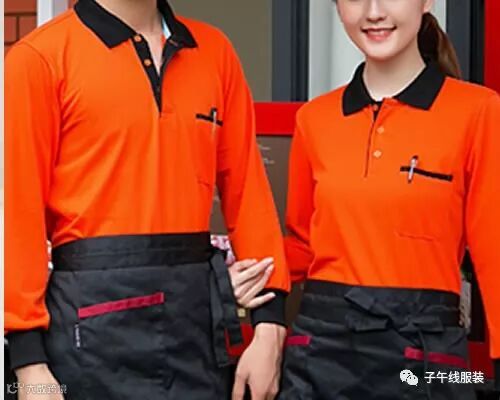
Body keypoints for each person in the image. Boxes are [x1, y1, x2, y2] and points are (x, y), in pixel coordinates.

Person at [4, 1, 290, 399]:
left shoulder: (215, 52)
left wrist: (270, 327)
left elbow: (248, 193)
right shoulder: (38, 58)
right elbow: (17, 215)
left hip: (196, 330)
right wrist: (29, 364)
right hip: (87, 332)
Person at [279, 0, 499, 399]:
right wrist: (236, 272)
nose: (374, 12)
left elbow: (494, 252)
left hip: (427, 360)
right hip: (319, 354)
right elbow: (303, 244)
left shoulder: (479, 111)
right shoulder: (314, 119)